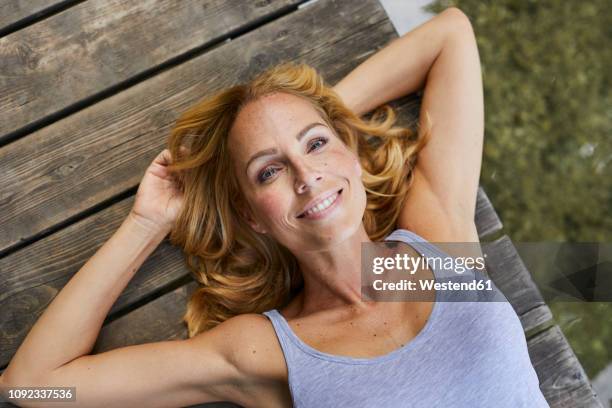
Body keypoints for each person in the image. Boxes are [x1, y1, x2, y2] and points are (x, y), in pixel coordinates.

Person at [0, 7, 549, 408]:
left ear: (352, 154)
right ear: (254, 216)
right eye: (269, 171)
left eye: (314, 146)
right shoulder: (267, 353)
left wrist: (318, 119)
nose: (306, 175)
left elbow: (450, 35)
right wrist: (146, 224)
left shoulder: (436, 246)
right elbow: (32, 384)